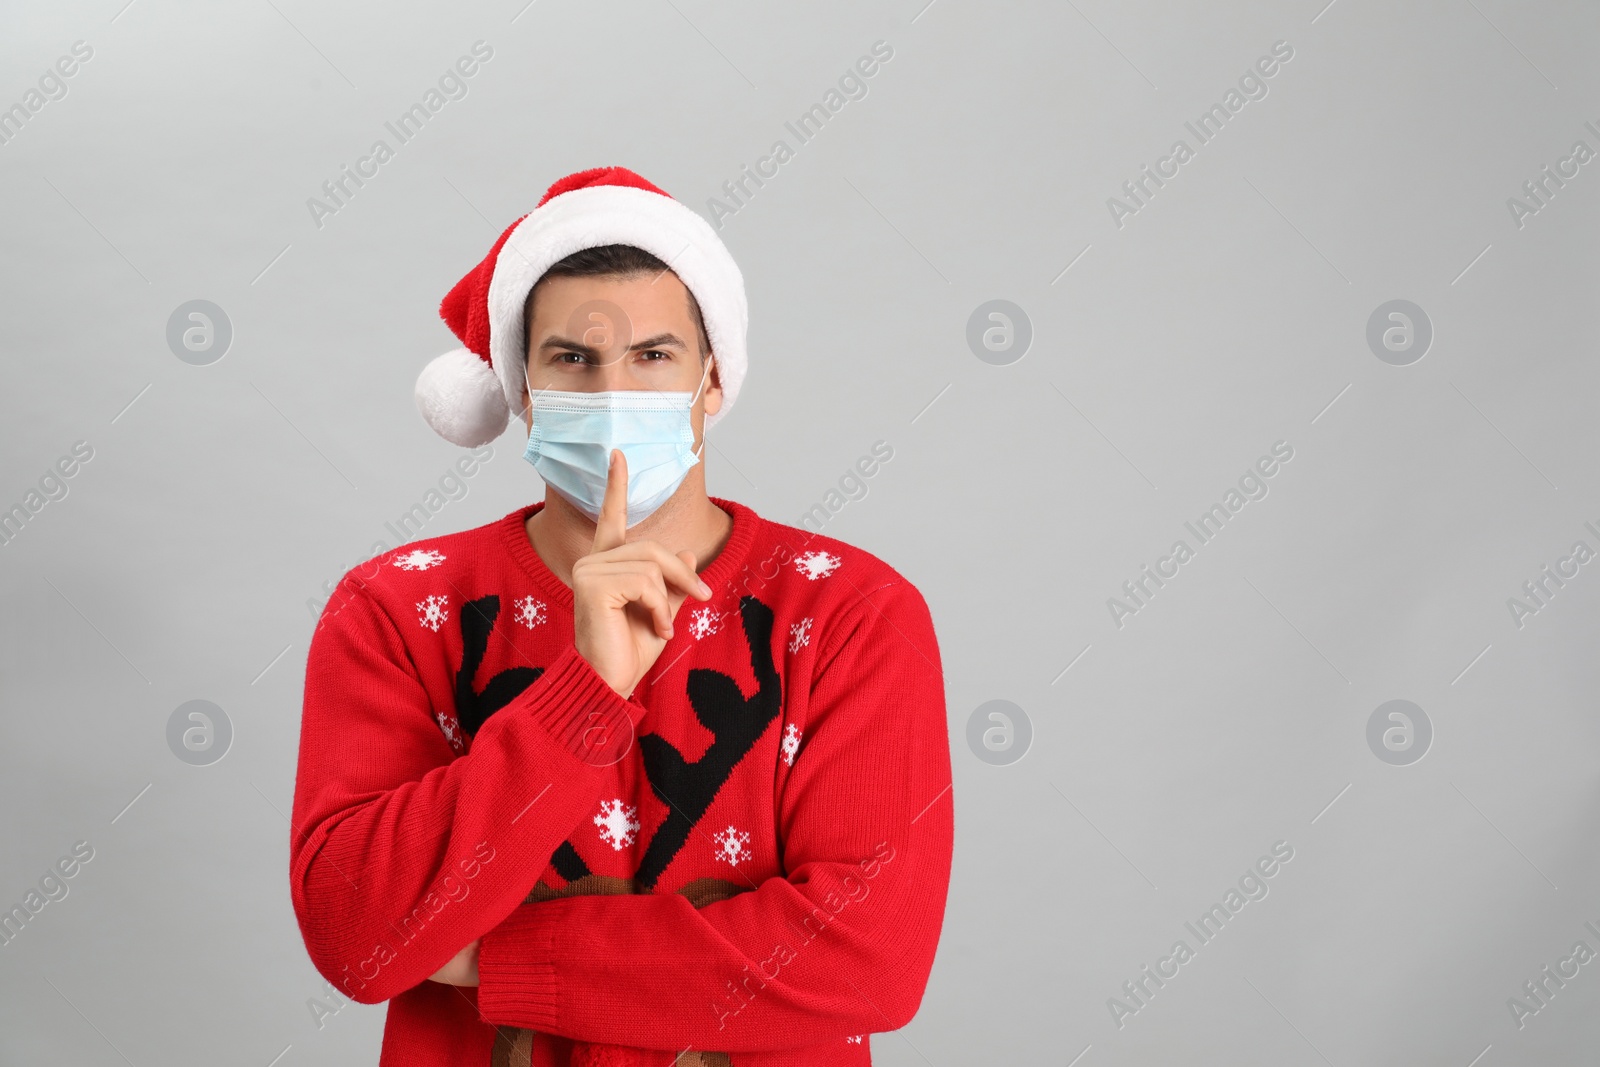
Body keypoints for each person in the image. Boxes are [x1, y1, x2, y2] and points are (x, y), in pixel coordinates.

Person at [288, 166, 954, 1067]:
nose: (613, 394)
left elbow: (870, 959)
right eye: (572, 358)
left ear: (711, 381)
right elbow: (356, 934)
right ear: (519, 386)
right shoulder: (401, 608)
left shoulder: (849, 612)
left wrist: (501, 961)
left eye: (653, 355)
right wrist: (584, 692)